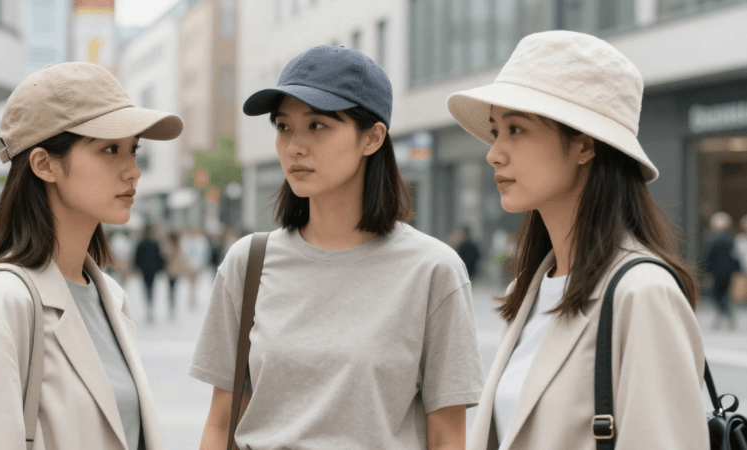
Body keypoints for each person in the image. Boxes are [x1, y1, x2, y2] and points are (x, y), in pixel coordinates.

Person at [191, 45, 483, 450]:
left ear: (372, 137)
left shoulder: (433, 270)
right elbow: (220, 424)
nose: (294, 146)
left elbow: (448, 437)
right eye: (283, 127)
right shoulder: (249, 263)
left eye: (317, 126)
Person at [447, 31, 708, 450]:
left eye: (516, 129)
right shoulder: (528, 291)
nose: (494, 153)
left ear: (584, 146)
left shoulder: (642, 295)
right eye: (496, 130)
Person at [0, 62, 182, 450]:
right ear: (44, 164)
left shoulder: (110, 298)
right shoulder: (1, 306)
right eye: (110, 149)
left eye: (134, 149)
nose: (132, 170)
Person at [701, 211, 740, 330]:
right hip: (728, 271)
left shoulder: (713, 239)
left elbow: (708, 256)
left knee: (716, 294)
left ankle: (725, 312)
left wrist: (704, 268)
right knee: (723, 294)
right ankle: (725, 314)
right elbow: (735, 256)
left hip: (717, 271)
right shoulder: (730, 238)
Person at [134, 224, 166, 323]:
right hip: (153, 269)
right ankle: (150, 306)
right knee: (152, 287)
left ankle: (148, 306)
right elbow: (159, 256)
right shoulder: (155, 242)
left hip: (144, 269)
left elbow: (137, 256)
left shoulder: (141, 242)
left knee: (146, 287)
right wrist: (160, 268)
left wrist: (136, 267)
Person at [163, 230, 192, 319]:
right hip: (175, 270)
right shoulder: (179, 246)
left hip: (171, 270)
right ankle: (172, 306)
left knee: (171, 289)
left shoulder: (169, 246)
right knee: (173, 289)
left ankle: (172, 306)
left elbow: (165, 255)